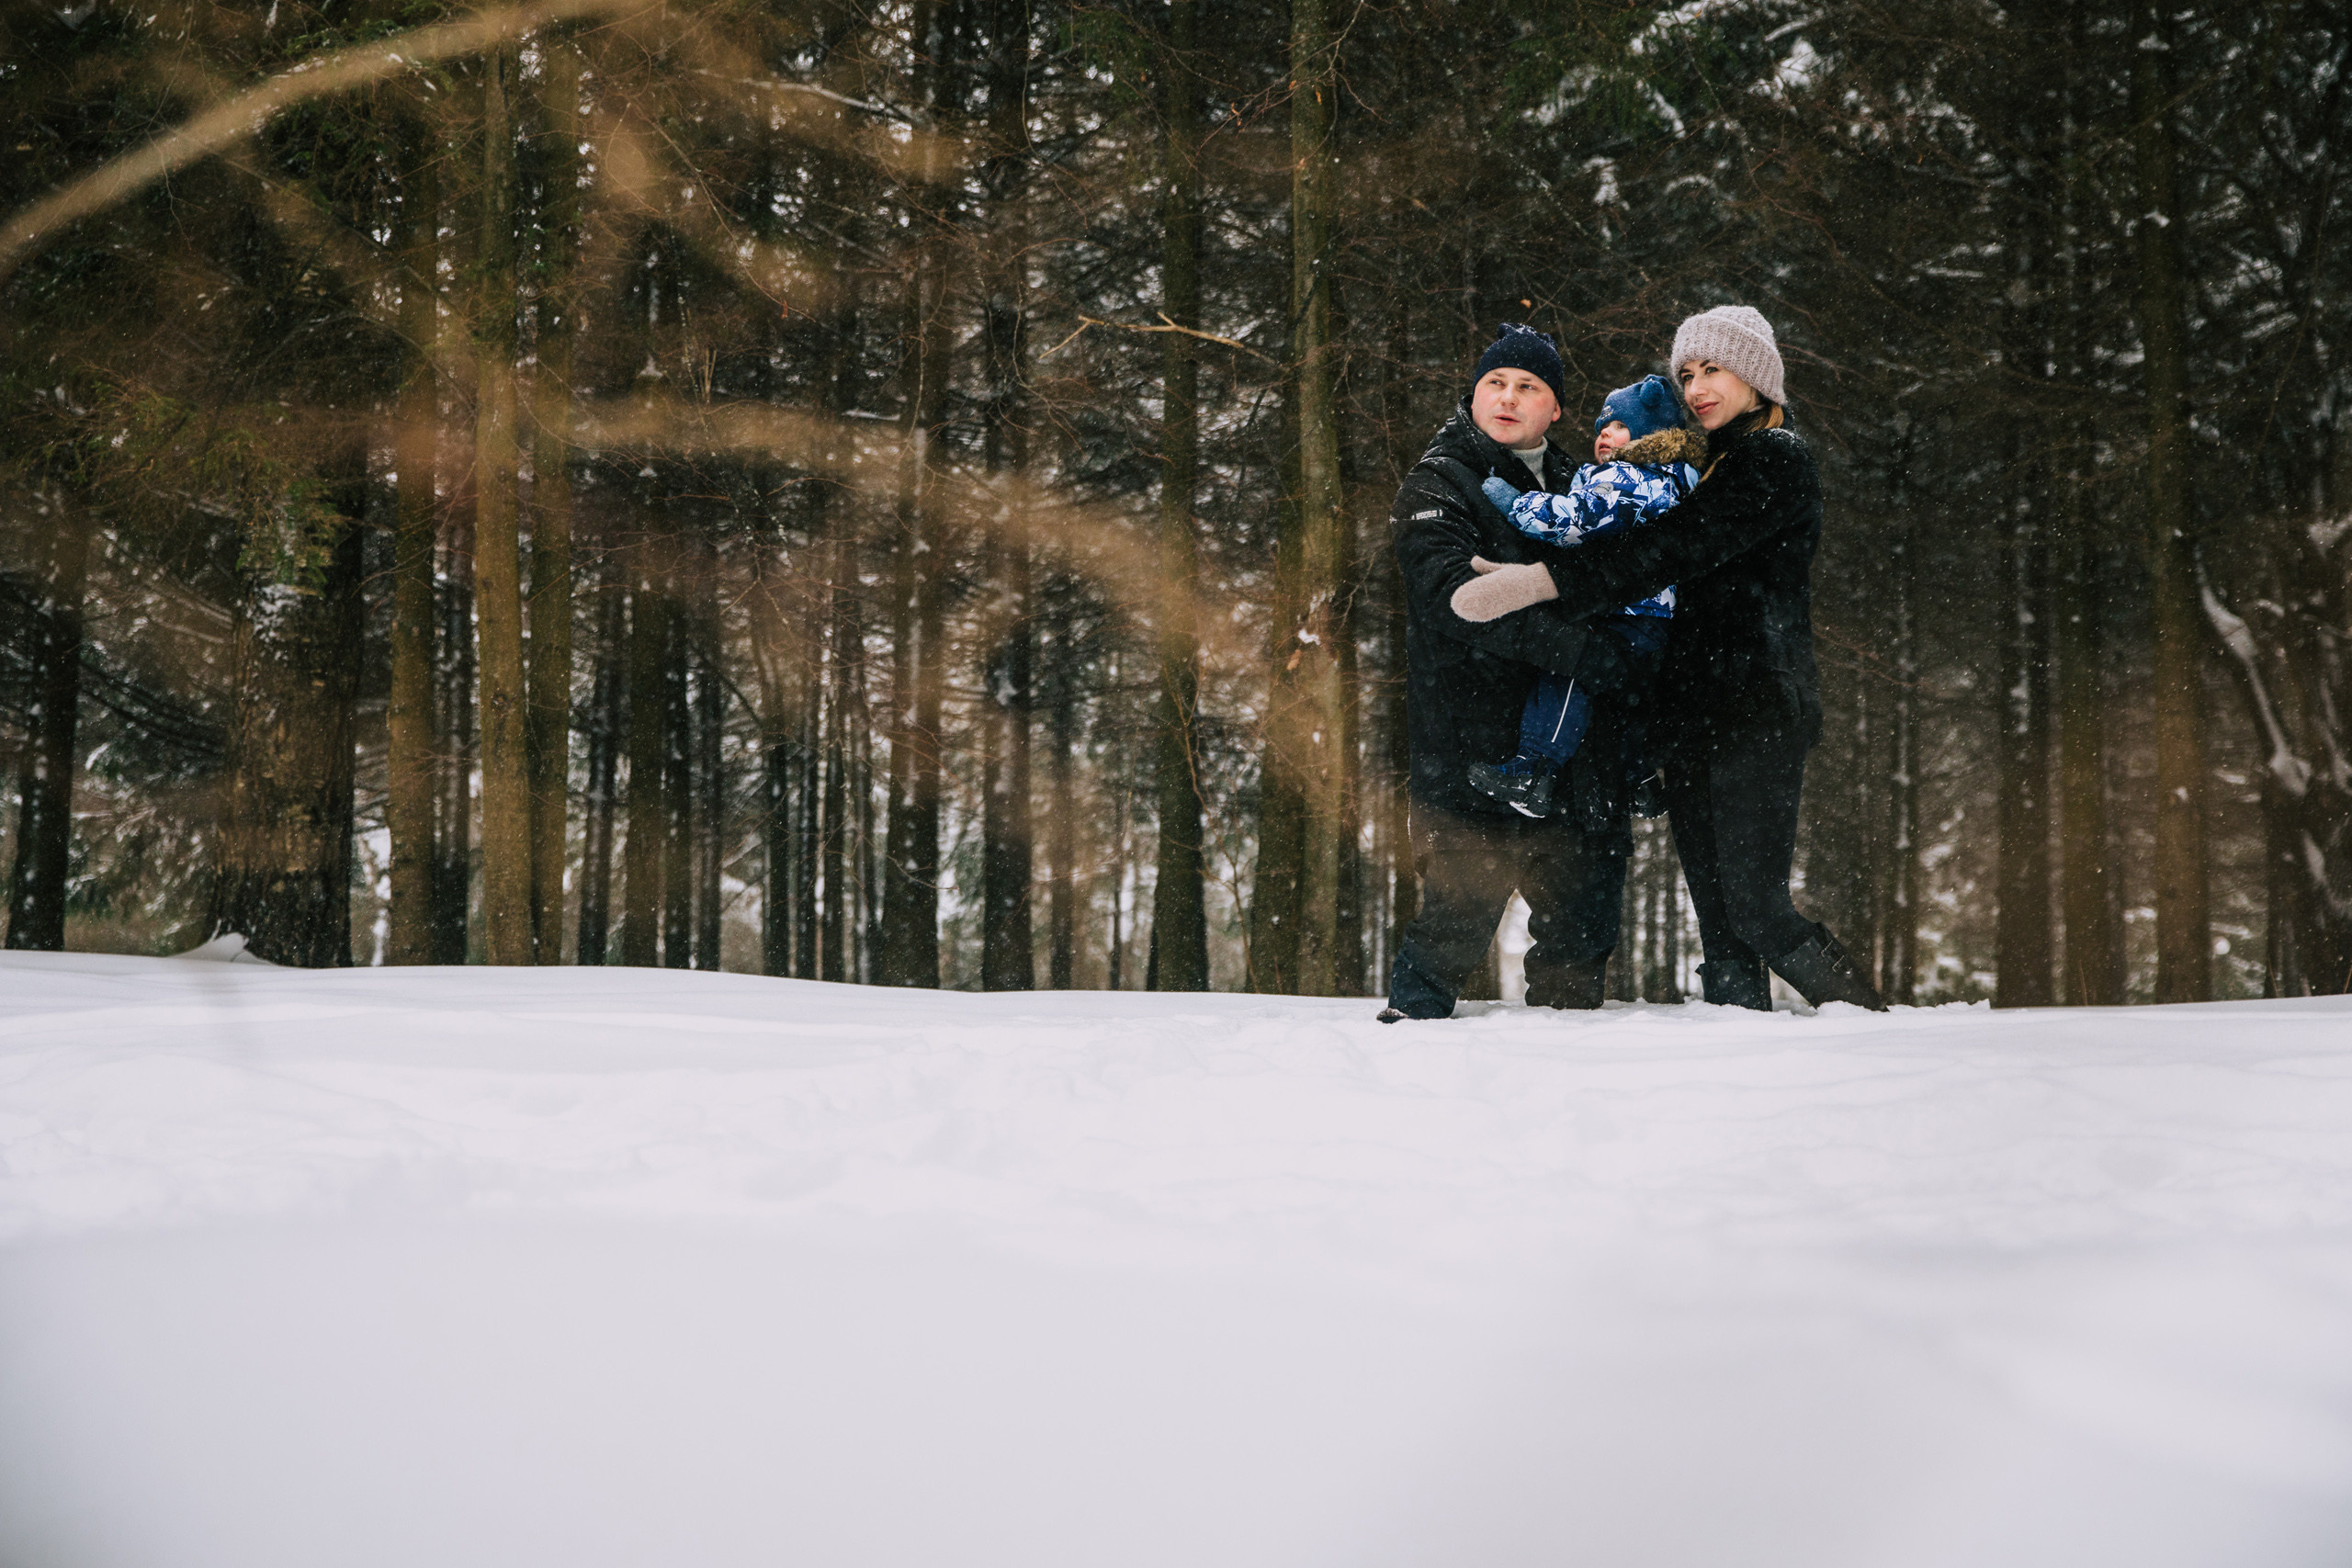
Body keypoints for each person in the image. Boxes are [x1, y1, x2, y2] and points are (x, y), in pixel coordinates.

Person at [1452, 305, 1888, 1011]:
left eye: (1713, 368)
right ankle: (1732, 1062)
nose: (1696, 386)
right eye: (1687, 372)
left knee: (1755, 910)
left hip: (1757, 710)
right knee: (1720, 929)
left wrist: (1540, 582)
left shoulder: (1775, 459)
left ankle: (1877, 1026)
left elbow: (1671, 550)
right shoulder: (1697, 466)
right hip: (1691, 718)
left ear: (1756, 376)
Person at [1377, 323, 1640, 1022]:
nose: (1508, 396)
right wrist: (1582, 652)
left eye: (1528, 386)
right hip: (1470, 761)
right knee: (1439, 960)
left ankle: (1563, 1118)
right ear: (1473, 393)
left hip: (1579, 780)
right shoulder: (1439, 479)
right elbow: (1454, 600)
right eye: (1495, 382)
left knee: (1578, 974)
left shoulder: (1586, 488)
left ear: (1555, 409)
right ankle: (1388, 1102)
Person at [1464, 373, 1702, 819]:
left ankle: (1535, 770)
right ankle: (1641, 779)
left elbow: (1574, 522)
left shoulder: (1631, 478)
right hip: (1651, 617)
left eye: (1618, 427)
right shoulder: (1670, 482)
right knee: (1624, 699)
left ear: (1652, 434)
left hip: (1623, 611)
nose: (1604, 436)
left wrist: (1517, 503)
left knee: (1568, 674)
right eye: (1600, 429)